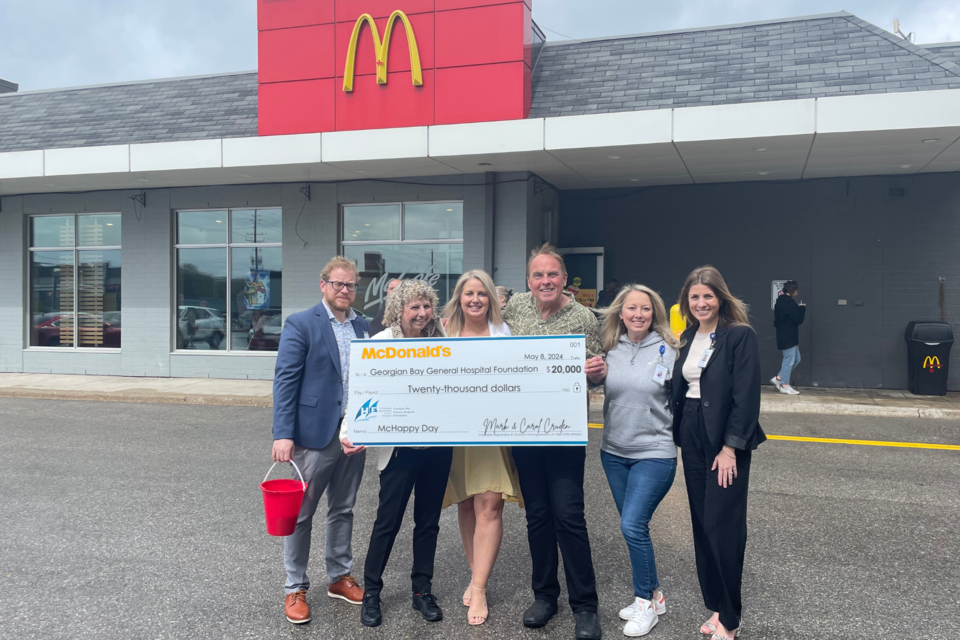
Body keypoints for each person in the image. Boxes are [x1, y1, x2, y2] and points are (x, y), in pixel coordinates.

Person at [502, 243, 604, 640]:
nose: (545, 281)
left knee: (569, 516)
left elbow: (596, 373)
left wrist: (596, 371)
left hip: (564, 431)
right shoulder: (514, 310)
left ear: (565, 279)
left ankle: (585, 605)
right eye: (538, 275)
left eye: (552, 274)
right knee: (537, 516)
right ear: (529, 281)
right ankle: (545, 595)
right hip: (524, 430)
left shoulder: (583, 318)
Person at [341, 279, 454, 628]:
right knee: (387, 522)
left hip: (437, 446)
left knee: (429, 522)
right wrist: (349, 431)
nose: (422, 313)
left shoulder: (443, 342)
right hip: (399, 450)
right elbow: (360, 393)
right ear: (399, 311)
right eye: (414, 307)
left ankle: (422, 591)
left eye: (426, 306)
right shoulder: (380, 344)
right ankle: (372, 592)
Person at [271, 256, 370, 625]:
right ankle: (294, 586)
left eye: (351, 285)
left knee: (343, 508)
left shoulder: (363, 327)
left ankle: (339, 576)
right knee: (301, 514)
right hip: (313, 435)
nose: (345, 291)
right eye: (338, 284)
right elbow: (285, 382)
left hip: (353, 434)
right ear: (323, 284)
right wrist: (283, 434)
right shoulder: (301, 324)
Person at [671, 266, 766, 640]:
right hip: (691, 431)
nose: (701, 303)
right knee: (700, 520)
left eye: (707, 296)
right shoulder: (688, 335)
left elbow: (746, 397)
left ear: (721, 297)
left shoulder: (739, 336)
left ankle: (730, 618)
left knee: (721, 525)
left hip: (725, 438)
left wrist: (730, 448)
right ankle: (715, 604)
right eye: (694, 297)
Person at [586, 284, 679, 637]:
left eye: (644, 308)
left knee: (632, 526)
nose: (638, 314)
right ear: (620, 312)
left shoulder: (669, 349)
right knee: (633, 527)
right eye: (631, 309)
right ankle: (655, 595)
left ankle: (644, 603)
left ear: (653, 312)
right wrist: (592, 377)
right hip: (613, 452)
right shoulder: (610, 348)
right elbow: (595, 384)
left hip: (655, 453)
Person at [440, 269, 521, 626]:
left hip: (493, 431)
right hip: (455, 432)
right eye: (468, 294)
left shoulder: (505, 334)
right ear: (459, 298)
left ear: (492, 298)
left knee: (489, 504)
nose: (475, 300)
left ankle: (480, 586)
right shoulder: (443, 332)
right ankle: (476, 577)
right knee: (467, 504)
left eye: (482, 294)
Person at [772, 280, 805, 395]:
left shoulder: (779, 302)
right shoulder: (790, 303)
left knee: (796, 359)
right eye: (796, 290)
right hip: (789, 336)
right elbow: (798, 320)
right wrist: (802, 309)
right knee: (789, 361)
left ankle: (780, 378)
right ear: (793, 291)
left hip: (784, 335)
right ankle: (784, 385)